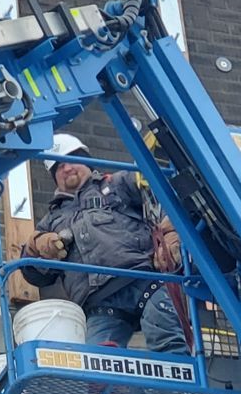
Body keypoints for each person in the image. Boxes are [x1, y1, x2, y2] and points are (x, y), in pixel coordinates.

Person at [20, 134, 187, 352]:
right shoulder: (51, 220)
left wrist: (172, 231)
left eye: (72, 159)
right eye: (59, 166)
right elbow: (34, 276)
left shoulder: (117, 184)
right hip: (98, 304)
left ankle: (178, 386)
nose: (67, 168)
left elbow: (158, 191)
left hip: (144, 280)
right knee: (98, 370)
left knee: (169, 343)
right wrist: (34, 248)